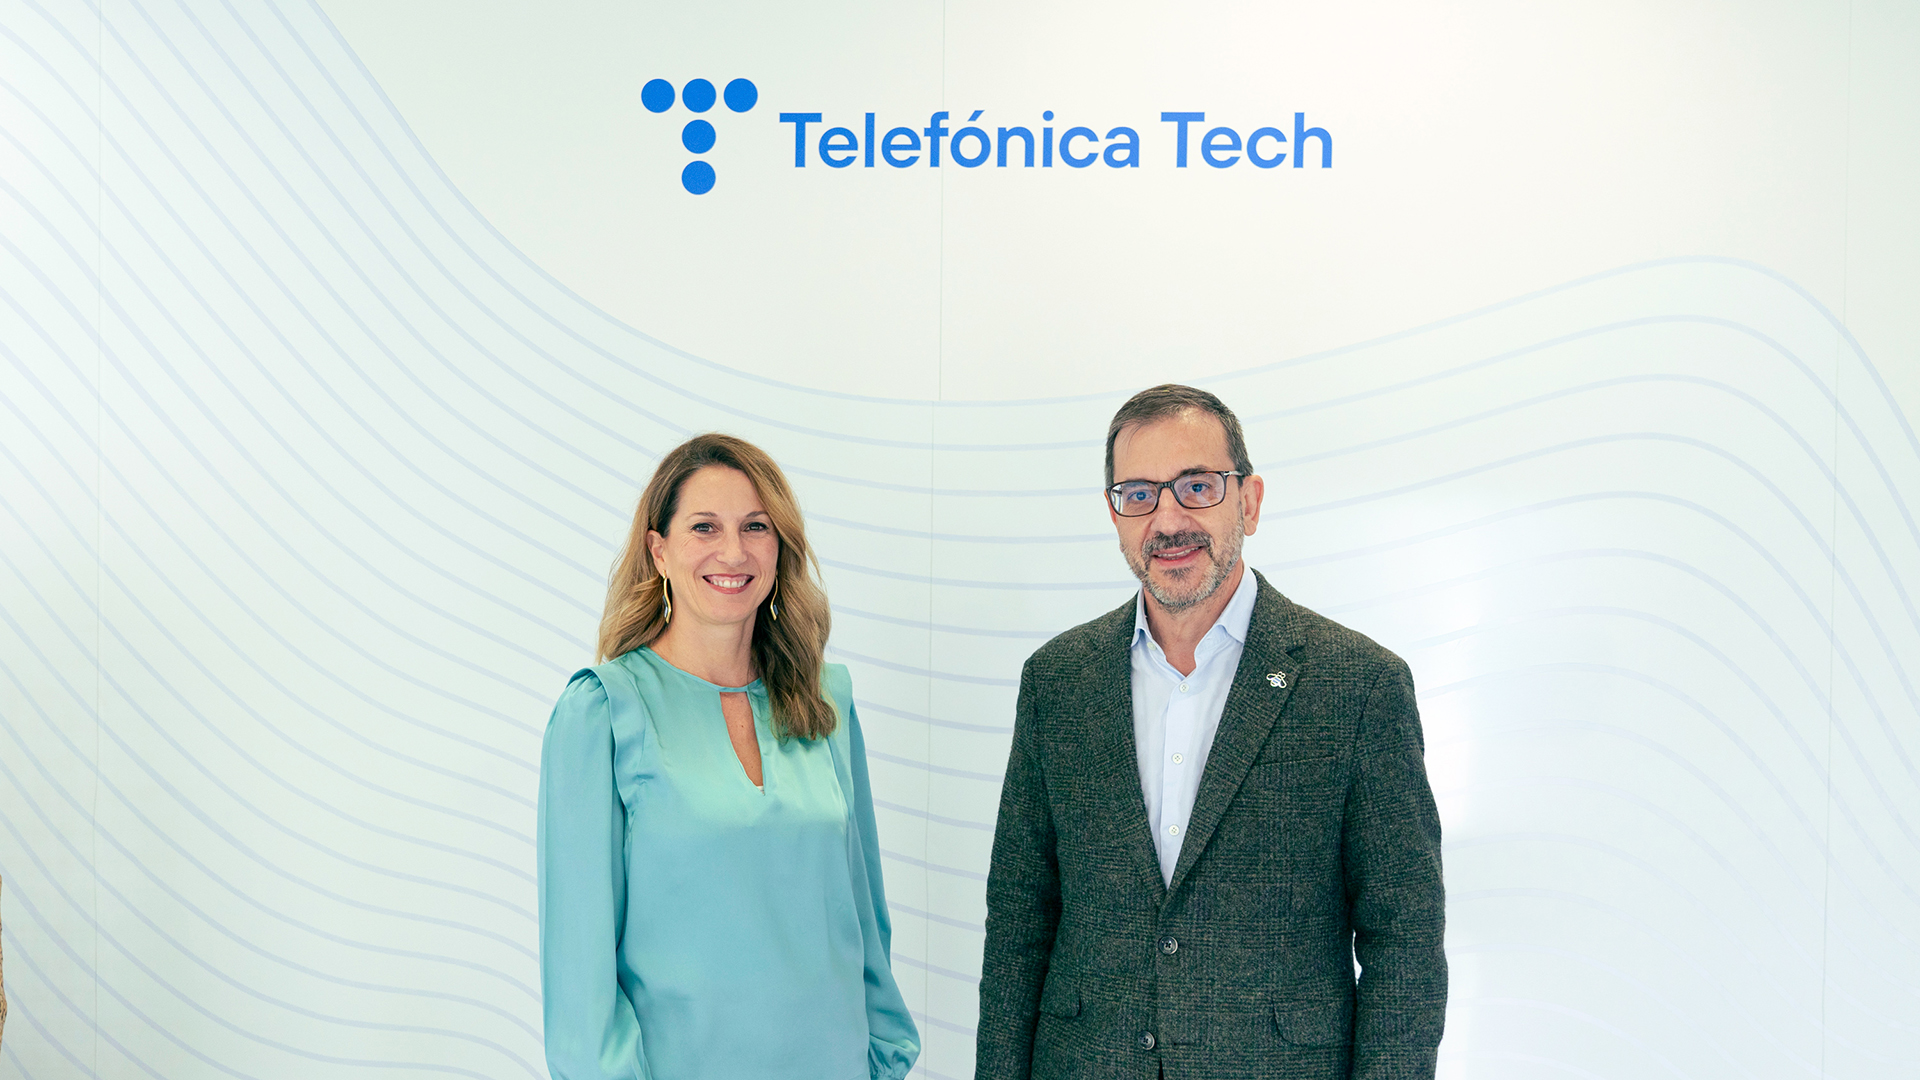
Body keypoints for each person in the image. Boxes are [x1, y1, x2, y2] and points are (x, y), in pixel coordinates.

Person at [975, 385, 1446, 1080]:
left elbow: (1403, 942)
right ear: (1114, 514)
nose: (1167, 520)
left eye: (1197, 487)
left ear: (1249, 502)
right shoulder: (1058, 681)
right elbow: (1018, 921)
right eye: (1138, 494)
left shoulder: (1358, 685)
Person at [539, 434, 919, 1080]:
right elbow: (580, 982)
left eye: (755, 527)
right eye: (704, 527)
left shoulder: (826, 702)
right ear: (658, 550)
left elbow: (864, 919)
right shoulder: (602, 712)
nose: (734, 552)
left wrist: (884, 1059)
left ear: (779, 547)